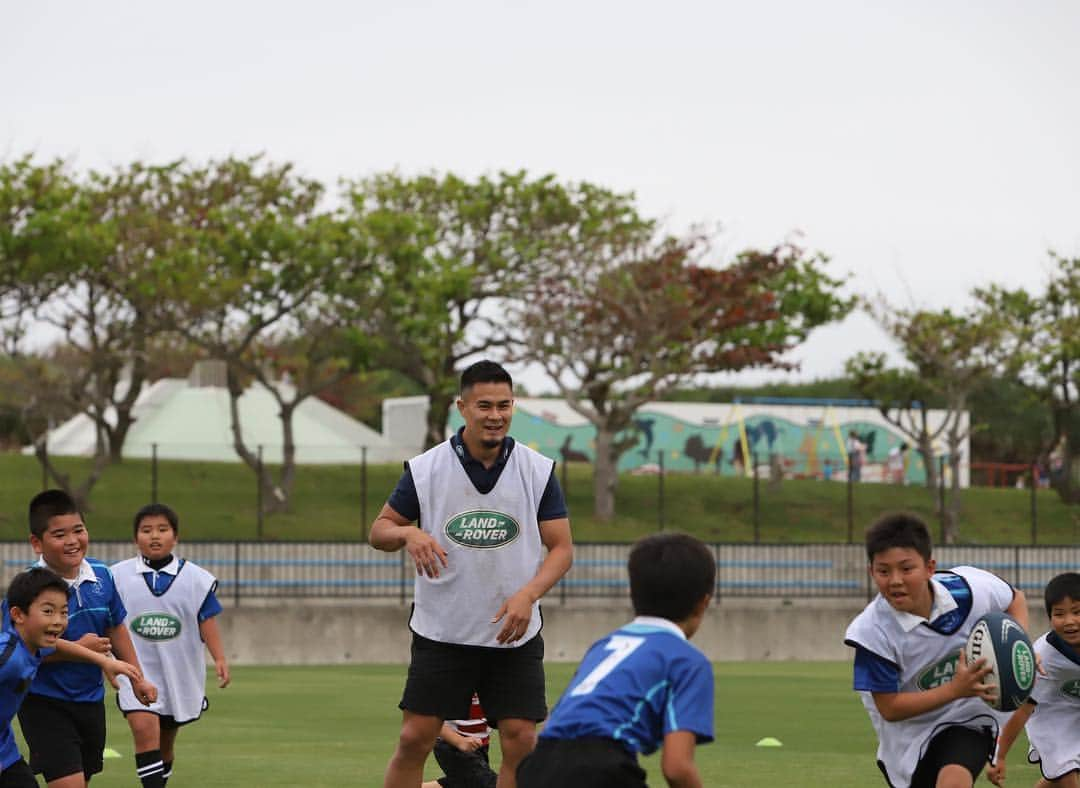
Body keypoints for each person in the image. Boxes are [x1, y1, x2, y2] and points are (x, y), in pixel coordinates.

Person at [369, 360, 574, 788]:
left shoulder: (537, 471)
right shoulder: (426, 469)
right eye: (484, 405)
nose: (495, 415)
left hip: (512, 634)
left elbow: (562, 549)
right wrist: (408, 533)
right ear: (462, 407)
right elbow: (379, 531)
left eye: (504, 405)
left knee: (522, 740)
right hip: (442, 632)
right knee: (414, 738)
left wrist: (528, 595)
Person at [844, 512, 1032, 788]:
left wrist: (1020, 647)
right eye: (884, 571)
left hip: (970, 718)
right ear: (871, 571)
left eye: (907, 569)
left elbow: (1015, 598)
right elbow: (890, 708)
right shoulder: (871, 632)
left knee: (954, 781)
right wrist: (954, 689)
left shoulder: (971, 590)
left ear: (930, 567)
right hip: (909, 737)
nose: (895, 580)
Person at [516, 532, 715, 788]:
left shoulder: (605, 646)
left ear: (632, 592)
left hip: (538, 766)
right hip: (600, 770)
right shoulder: (686, 660)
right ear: (703, 603)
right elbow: (677, 768)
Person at [17, 489, 158, 788]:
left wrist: (137, 677)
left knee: (83, 779)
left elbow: (116, 627)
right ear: (36, 543)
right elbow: (22, 648)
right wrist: (82, 651)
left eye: (78, 530)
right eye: (59, 534)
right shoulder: (28, 587)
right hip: (44, 701)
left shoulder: (102, 575)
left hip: (90, 700)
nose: (72, 540)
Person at [112, 503, 230, 788]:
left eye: (162, 530)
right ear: (135, 538)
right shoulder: (116, 577)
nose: (154, 536)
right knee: (144, 728)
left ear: (175, 537)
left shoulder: (196, 579)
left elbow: (207, 619)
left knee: (165, 742)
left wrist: (220, 658)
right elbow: (108, 621)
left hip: (178, 671)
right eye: (146, 530)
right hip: (135, 672)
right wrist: (107, 658)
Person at [1, 568, 143, 788]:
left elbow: (60, 645)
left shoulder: (32, 644)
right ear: (18, 615)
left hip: (6, 755)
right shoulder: (9, 657)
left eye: (64, 612)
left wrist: (104, 661)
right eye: (48, 611)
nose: (58, 621)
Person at [988, 572, 1080, 788]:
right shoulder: (1042, 657)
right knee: (1065, 777)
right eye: (1059, 614)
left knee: (1054, 781)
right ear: (1049, 618)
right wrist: (1000, 756)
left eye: (1077, 612)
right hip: (1050, 716)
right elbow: (1022, 710)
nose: (1070, 621)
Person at [420, 693, 497, 788]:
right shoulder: (450, 679)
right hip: (452, 745)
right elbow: (427, 716)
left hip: (479, 745)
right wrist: (459, 741)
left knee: (464, 783)